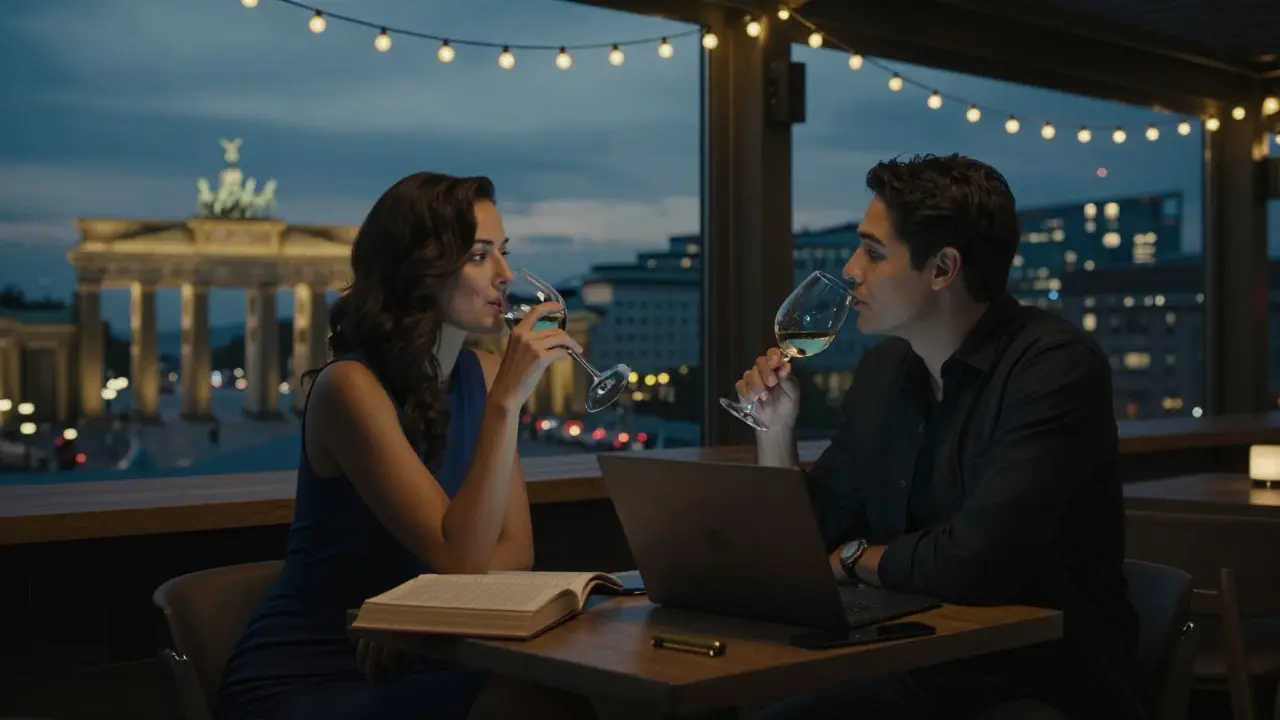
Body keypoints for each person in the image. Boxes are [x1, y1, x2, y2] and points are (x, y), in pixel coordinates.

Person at [739, 155, 1148, 720]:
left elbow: (976, 562)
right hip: (909, 659)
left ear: (942, 269)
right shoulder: (884, 373)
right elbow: (810, 544)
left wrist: (853, 558)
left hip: (1036, 680)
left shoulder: (1054, 368)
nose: (851, 270)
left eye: (873, 253)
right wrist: (774, 431)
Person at [216, 172, 590, 720]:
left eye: (503, 252)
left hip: (424, 651)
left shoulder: (486, 374)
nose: (506, 274)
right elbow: (460, 559)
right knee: (530, 701)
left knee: (562, 692)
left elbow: (516, 552)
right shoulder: (351, 387)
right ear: (421, 270)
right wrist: (506, 405)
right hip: (315, 673)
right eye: (479, 255)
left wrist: (417, 613)